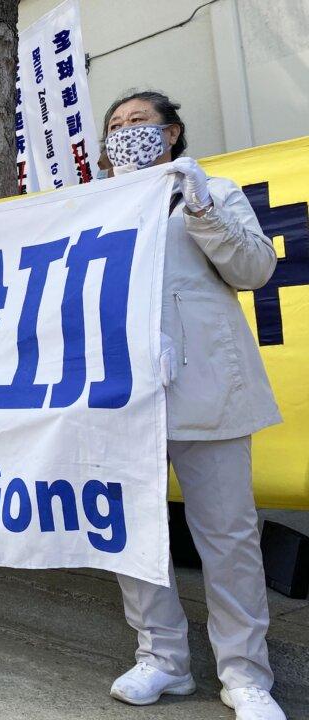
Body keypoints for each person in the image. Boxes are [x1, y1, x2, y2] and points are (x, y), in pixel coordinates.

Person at [100, 91, 285, 720]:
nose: (127, 133)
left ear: (172, 132)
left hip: (208, 389)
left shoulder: (215, 191)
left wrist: (200, 205)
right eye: (116, 125)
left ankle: (244, 673)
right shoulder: (95, 204)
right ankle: (162, 659)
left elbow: (255, 269)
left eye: (140, 122)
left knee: (228, 539)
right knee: (134, 536)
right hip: (122, 397)